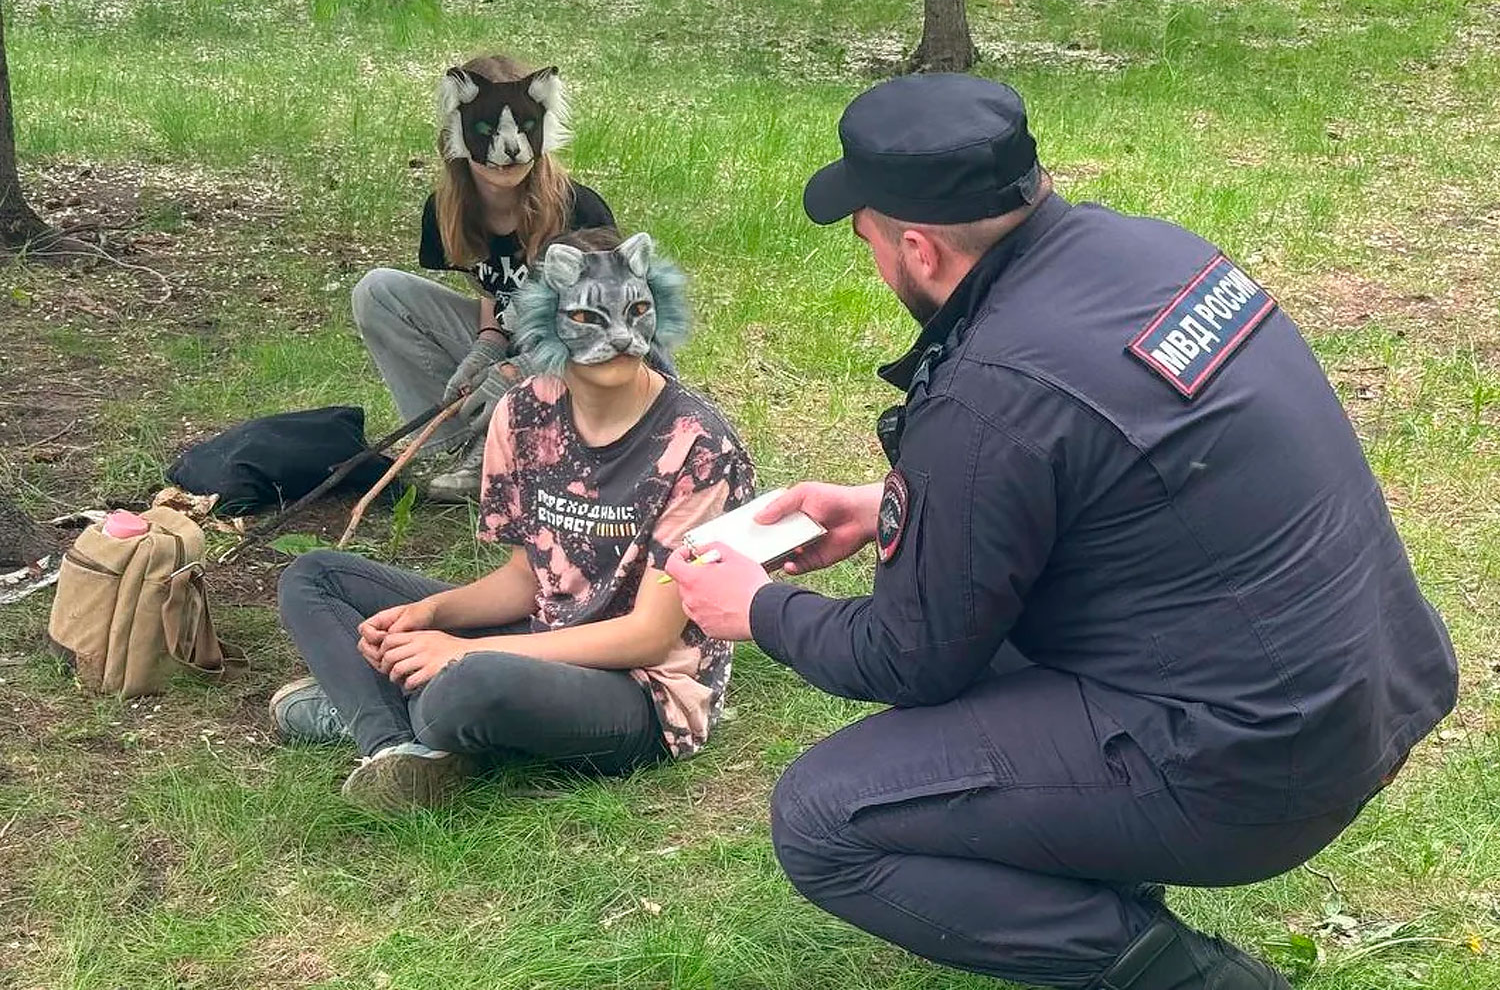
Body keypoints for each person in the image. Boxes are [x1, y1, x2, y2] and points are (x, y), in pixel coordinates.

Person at [666, 74, 1458, 990]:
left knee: (825, 819)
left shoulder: (992, 391)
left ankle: (1199, 981)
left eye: (868, 241)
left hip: (1259, 768)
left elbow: (909, 658)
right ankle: (1096, 860)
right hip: (1372, 682)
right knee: (984, 663)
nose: (875, 261)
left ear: (918, 250)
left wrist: (758, 608)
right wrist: (882, 501)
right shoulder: (1156, 256)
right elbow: (1111, 468)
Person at [275, 227, 756, 813]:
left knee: (470, 686)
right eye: (588, 316)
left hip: (641, 690)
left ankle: (370, 713)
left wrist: (457, 653)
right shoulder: (524, 412)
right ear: (547, 320)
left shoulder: (700, 445)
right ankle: (398, 750)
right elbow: (528, 580)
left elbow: (650, 636)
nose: (622, 337)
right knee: (315, 576)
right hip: (544, 634)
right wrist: (433, 613)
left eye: (635, 311)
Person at [352, 54, 619, 502]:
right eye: (486, 131)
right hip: (517, 345)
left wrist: (522, 368)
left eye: (521, 131)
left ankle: (511, 454)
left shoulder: (580, 209)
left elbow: (610, 329)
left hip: (579, 362)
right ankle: (460, 441)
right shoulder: (448, 211)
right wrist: (488, 343)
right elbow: (495, 289)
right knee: (378, 292)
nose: (507, 151)